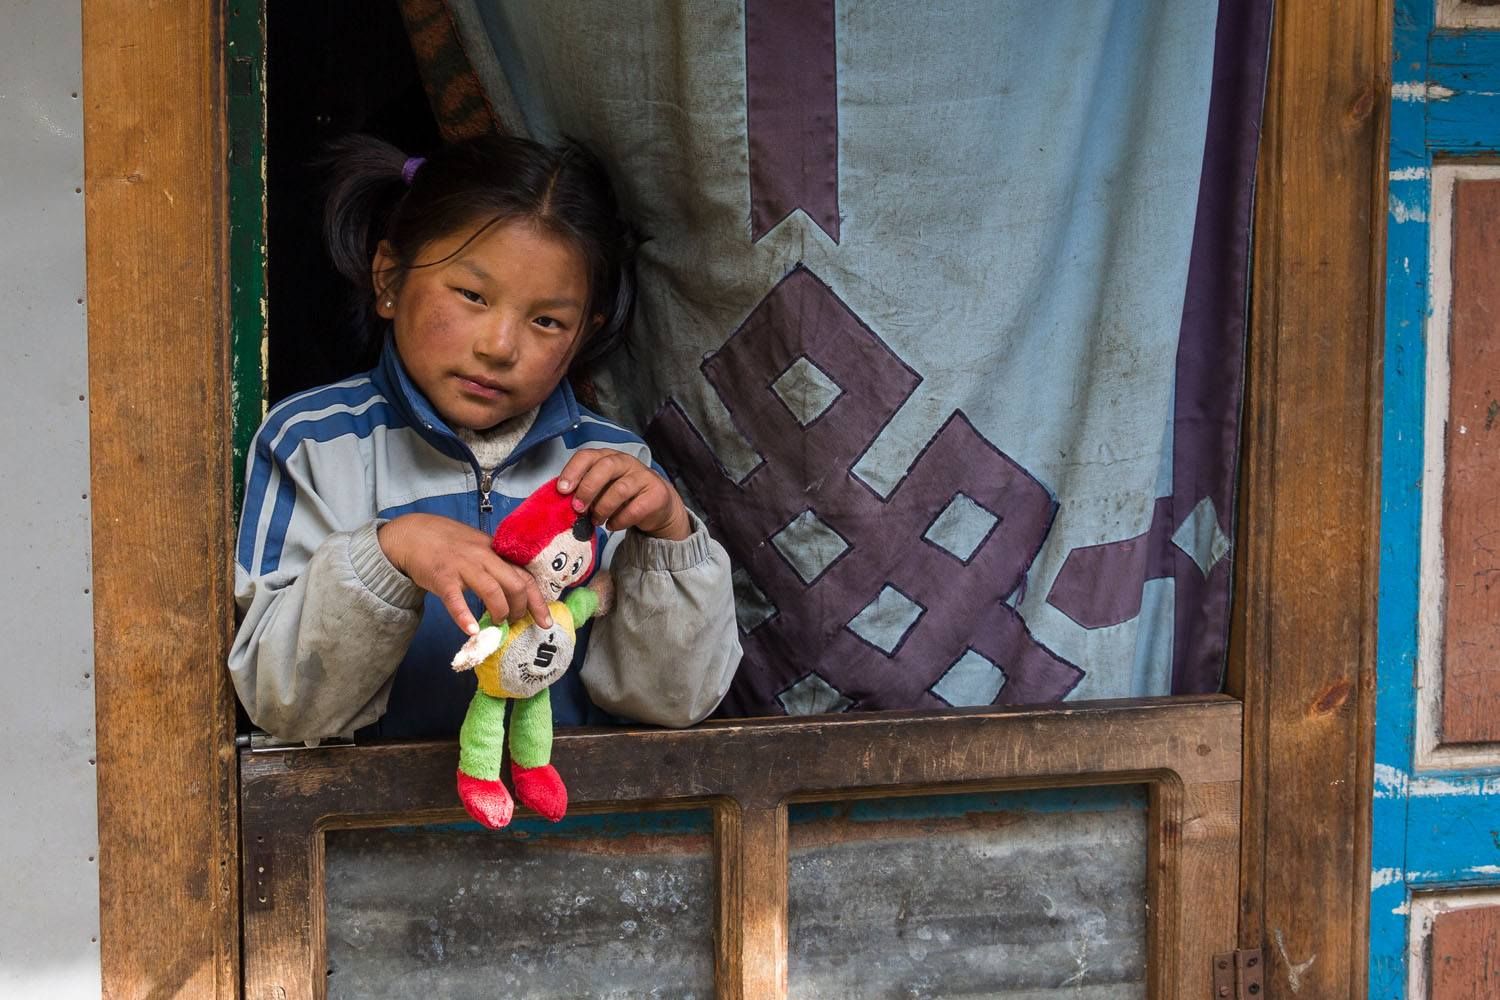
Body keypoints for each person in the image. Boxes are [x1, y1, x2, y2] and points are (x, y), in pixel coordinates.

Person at [230, 133, 740, 746]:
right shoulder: (312, 443)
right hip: (362, 830)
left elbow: (673, 704)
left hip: (575, 829)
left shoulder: (613, 467)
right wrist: (390, 552)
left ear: (583, 335)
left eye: (547, 320)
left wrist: (668, 539)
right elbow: (279, 700)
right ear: (389, 278)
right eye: (472, 295)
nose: (499, 347)